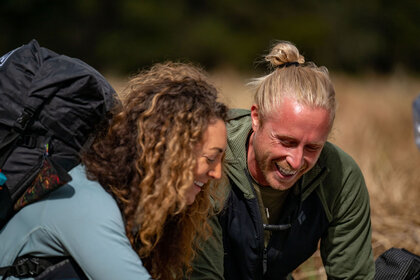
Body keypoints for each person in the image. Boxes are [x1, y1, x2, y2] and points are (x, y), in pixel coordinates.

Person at [0, 62, 228, 280]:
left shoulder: (126, 209)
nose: (216, 173)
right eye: (209, 159)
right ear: (172, 153)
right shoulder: (86, 204)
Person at [188, 41, 375, 280]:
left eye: (312, 147)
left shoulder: (340, 177)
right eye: (286, 141)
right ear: (256, 118)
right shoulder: (210, 161)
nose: (296, 162)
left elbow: (353, 275)